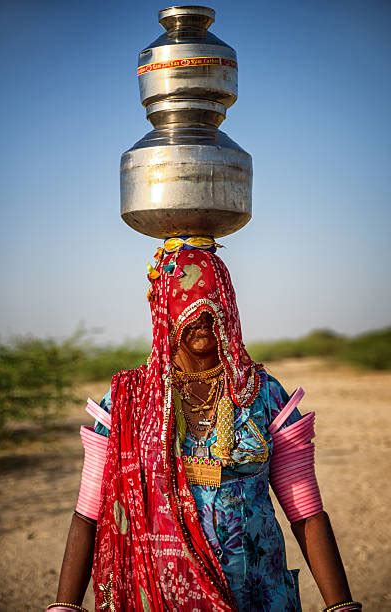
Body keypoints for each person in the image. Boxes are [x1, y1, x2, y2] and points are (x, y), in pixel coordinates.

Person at [47, 238, 362, 612]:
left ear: (228, 305)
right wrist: (64, 606)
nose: (203, 315)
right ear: (164, 308)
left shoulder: (263, 395)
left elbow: (306, 511)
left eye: (213, 301)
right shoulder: (126, 401)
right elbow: (89, 513)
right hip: (158, 598)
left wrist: (341, 606)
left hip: (256, 597)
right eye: (188, 303)